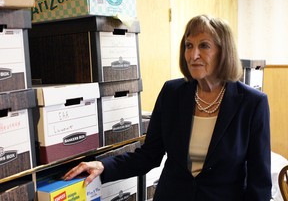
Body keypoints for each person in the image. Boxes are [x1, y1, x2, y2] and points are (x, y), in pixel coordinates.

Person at [63, 14, 272, 200]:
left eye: (204, 46)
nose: (193, 55)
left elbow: (259, 183)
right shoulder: (172, 93)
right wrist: (103, 166)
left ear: (224, 51)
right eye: (189, 46)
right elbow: (149, 155)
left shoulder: (252, 103)